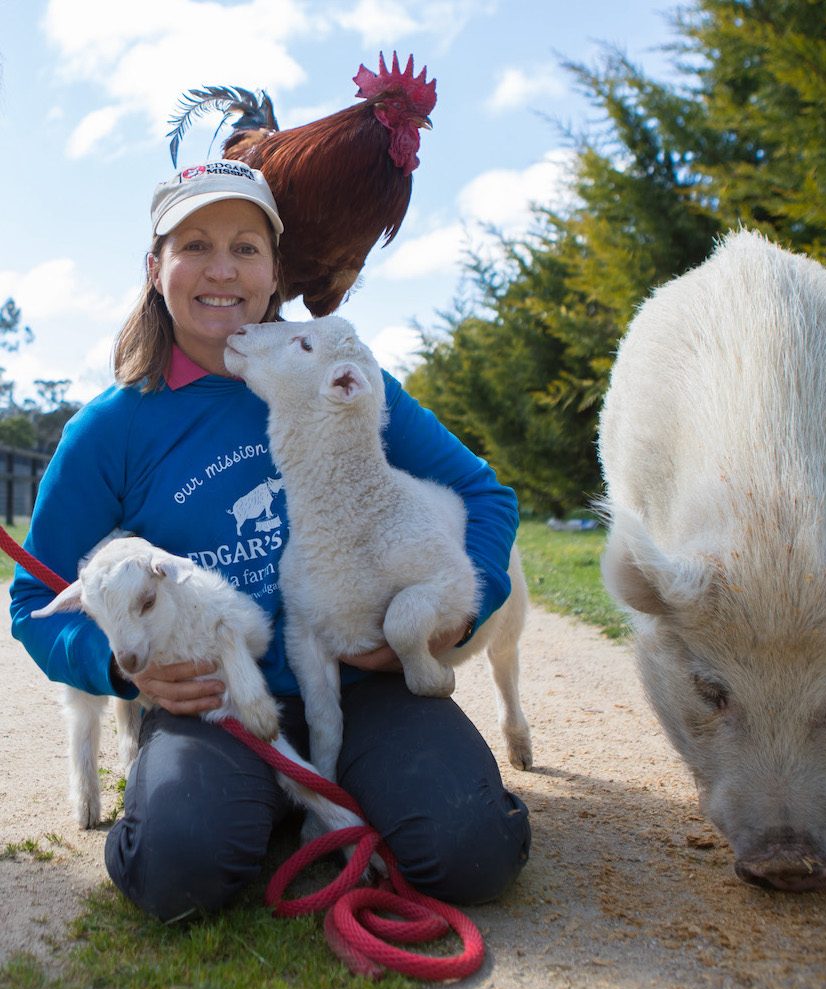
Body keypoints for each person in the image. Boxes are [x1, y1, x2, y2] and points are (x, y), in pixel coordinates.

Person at [9, 160, 530, 922]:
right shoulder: (111, 429)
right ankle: (249, 799)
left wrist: (456, 612)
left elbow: (486, 495)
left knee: (472, 852)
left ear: (275, 269)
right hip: (215, 702)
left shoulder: (336, 375)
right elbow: (32, 598)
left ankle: (324, 790)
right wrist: (129, 675)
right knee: (174, 871)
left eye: (246, 247)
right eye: (194, 244)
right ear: (156, 269)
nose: (222, 269)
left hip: (363, 686)